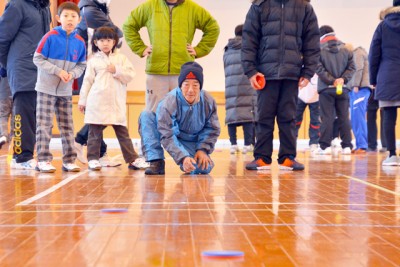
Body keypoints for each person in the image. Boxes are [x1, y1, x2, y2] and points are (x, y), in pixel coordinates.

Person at [242, 0, 320, 171]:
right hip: (265, 74)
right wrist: (251, 71)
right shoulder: (259, 5)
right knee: (264, 117)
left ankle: (287, 157)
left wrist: (308, 72)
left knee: (289, 118)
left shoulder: (304, 7)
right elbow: (249, 39)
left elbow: (312, 42)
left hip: (292, 74)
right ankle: (262, 157)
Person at [123, 0, 220, 113]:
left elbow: (213, 27)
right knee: (154, 113)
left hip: (182, 72)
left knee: (183, 113)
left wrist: (199, 50)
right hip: (156, 71)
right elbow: (128, 25)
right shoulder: (150, 6)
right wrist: (140, 48)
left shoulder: (192, 8)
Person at [139, 62, 220, 175]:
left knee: (203, 168)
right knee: (146, 116)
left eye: (195, 85)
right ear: (180, 85)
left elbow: (212, 129)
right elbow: (167, 134)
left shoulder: (208, 100)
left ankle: (192, 158)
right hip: (173, 135)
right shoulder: (169, 101)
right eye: (186, 84)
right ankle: (156, 162)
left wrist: (202, 149)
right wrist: (183, 157)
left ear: (200, 87)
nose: (190, 90)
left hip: (192, 140)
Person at [78, 26, 142, 171]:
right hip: (96, 103)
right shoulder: (93, 61)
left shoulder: (121, 58)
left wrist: (117, 71)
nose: (105, 43)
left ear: (114, 42)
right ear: (95, 42)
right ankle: (93, 159)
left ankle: (132, 159)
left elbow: (130, 75)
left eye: (108, 40)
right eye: (101, 40)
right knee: (94, 134)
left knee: (123, 134)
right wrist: (82, 101)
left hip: (115, 103)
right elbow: (87, 82)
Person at [33, 2, 86, 173]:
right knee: (44, 124)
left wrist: (72, 74)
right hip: (45, 88)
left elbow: (81, 65)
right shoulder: (50, 36)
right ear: (58, 18)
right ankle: (43, 160)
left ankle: (69, 160)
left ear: (79, 19)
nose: (69, 19)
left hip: (65, 90)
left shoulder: (80, 42)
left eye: (73, 16)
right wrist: (57, 71)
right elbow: (38, 58)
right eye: (65, 16)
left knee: (67, 126)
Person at [0, 0, 51, 169]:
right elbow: (2, 38)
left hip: (40, 68)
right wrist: (7, 65)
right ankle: (21, 157)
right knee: (24, 111)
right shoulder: (17, 5)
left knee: (36, 113)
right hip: (21, 67)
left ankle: (28, 154)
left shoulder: (44, 7)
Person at [73, 0, 124, 167]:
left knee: (100, 111)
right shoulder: (89, 10)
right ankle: (80, 140)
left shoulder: (100, 8)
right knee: (99, 112)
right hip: (90, 68)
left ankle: (100, 154)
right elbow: (117, 35)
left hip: (98, 68)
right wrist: (118, 35)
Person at [315, 26, 355, 155]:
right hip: (343, 89)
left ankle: (325, 146)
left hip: (326, 89)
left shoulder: (319, 50)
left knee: (327, 117)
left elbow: (319, 69)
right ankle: (347, 146)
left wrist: (332, 80)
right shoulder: (346, 49)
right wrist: (342, 79)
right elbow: (352, 67)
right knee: (344, 117)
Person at [369, 0, 400, 166]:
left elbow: (373, 55)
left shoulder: (382, 26)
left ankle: (392, 155)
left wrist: (373, 80)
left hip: (388, 77)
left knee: (388, 116)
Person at [223, 24, 256, 155]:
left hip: (230, 85)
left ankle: (233, 144)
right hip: (247, 85)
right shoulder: (249, 49)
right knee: (247, 114)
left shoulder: (227, 49)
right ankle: (248, 144)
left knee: (232, 114)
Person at [345, 43, 372, 154]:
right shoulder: (359, 53)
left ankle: (362, 145)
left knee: (358, 118)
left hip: (359, 90)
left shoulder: (357, 53)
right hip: (357, 90)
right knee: (356, 118)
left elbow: (358, 69)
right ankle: (359, 145)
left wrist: (355, 85)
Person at [295, 74, 320, 153]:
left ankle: (314, 143)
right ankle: (291, 143)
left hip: (317, 95)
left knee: (316, 121)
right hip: (300, 94)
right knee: (295, 120)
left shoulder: (321, 63)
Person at [0, 66, 11, 149]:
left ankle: (3, 135)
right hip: (16, 93)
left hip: (3, 93)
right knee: (16, 117)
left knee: (3, 116)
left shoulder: (2, 65)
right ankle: (14, 137)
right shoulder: (16, 62)